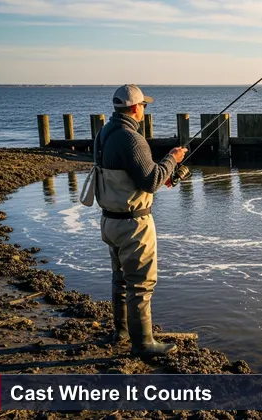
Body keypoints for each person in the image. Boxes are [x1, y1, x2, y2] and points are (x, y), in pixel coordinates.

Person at [83, 84, 187, 356]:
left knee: (120, 279)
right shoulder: (132, 139)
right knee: (141, 284)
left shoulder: (104, 133)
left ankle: (121, 332)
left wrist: (166, 172)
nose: (144, 110)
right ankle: (143, 345)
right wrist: (172, 160)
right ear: (134, 107)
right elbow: (152, 181)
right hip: (133, 224)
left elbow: (131, 176)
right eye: (144, 105)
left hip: (110, 221)